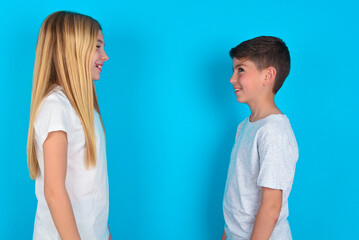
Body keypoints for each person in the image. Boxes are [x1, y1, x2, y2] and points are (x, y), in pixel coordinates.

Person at [26, 11, 111, 240]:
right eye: (97, 46)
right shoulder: (56, 107)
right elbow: (54, 191)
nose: (105, 56)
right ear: (72, 49)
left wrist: (105, 233)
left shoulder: (84, 109)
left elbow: (92, 187)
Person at [222, 36, 299, 240]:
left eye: (241, 69)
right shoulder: (245, 127)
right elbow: (237, 195)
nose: (232, 78)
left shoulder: (274, 131)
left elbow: (271, 207)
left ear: (268, 76)